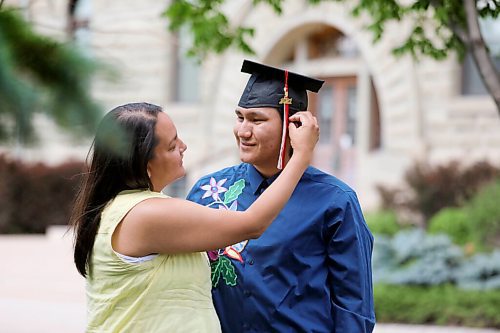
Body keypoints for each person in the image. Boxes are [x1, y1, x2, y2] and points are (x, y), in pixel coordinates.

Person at [69, 102, 319, 332]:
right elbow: (252, 224)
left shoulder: (121, 209)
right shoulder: (145, 214)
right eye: (172, 145)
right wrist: (301, 156)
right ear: (145, 164)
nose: (183, 146)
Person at [187, 60, 376, 332]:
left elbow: (353, 306)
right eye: (240, 117)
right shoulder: (208, 190)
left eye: (257, 120)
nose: (243, 131)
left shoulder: (334, 201)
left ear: (293, 125)